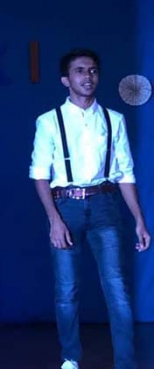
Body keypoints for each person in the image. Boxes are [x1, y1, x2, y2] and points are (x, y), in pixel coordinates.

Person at [29, 48, 150, 369]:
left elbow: (125, 173)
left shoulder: (114, 120)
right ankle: (70, 358)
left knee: (117, 289)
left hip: (104, 205)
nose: (88, 76)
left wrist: (140, 220)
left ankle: (126, 363)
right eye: (80, 71)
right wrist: (54, 220)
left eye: (93, 70)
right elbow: (39, 174)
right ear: (66, 79)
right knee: (67, 290)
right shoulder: (49, 121)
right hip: (65, 206)